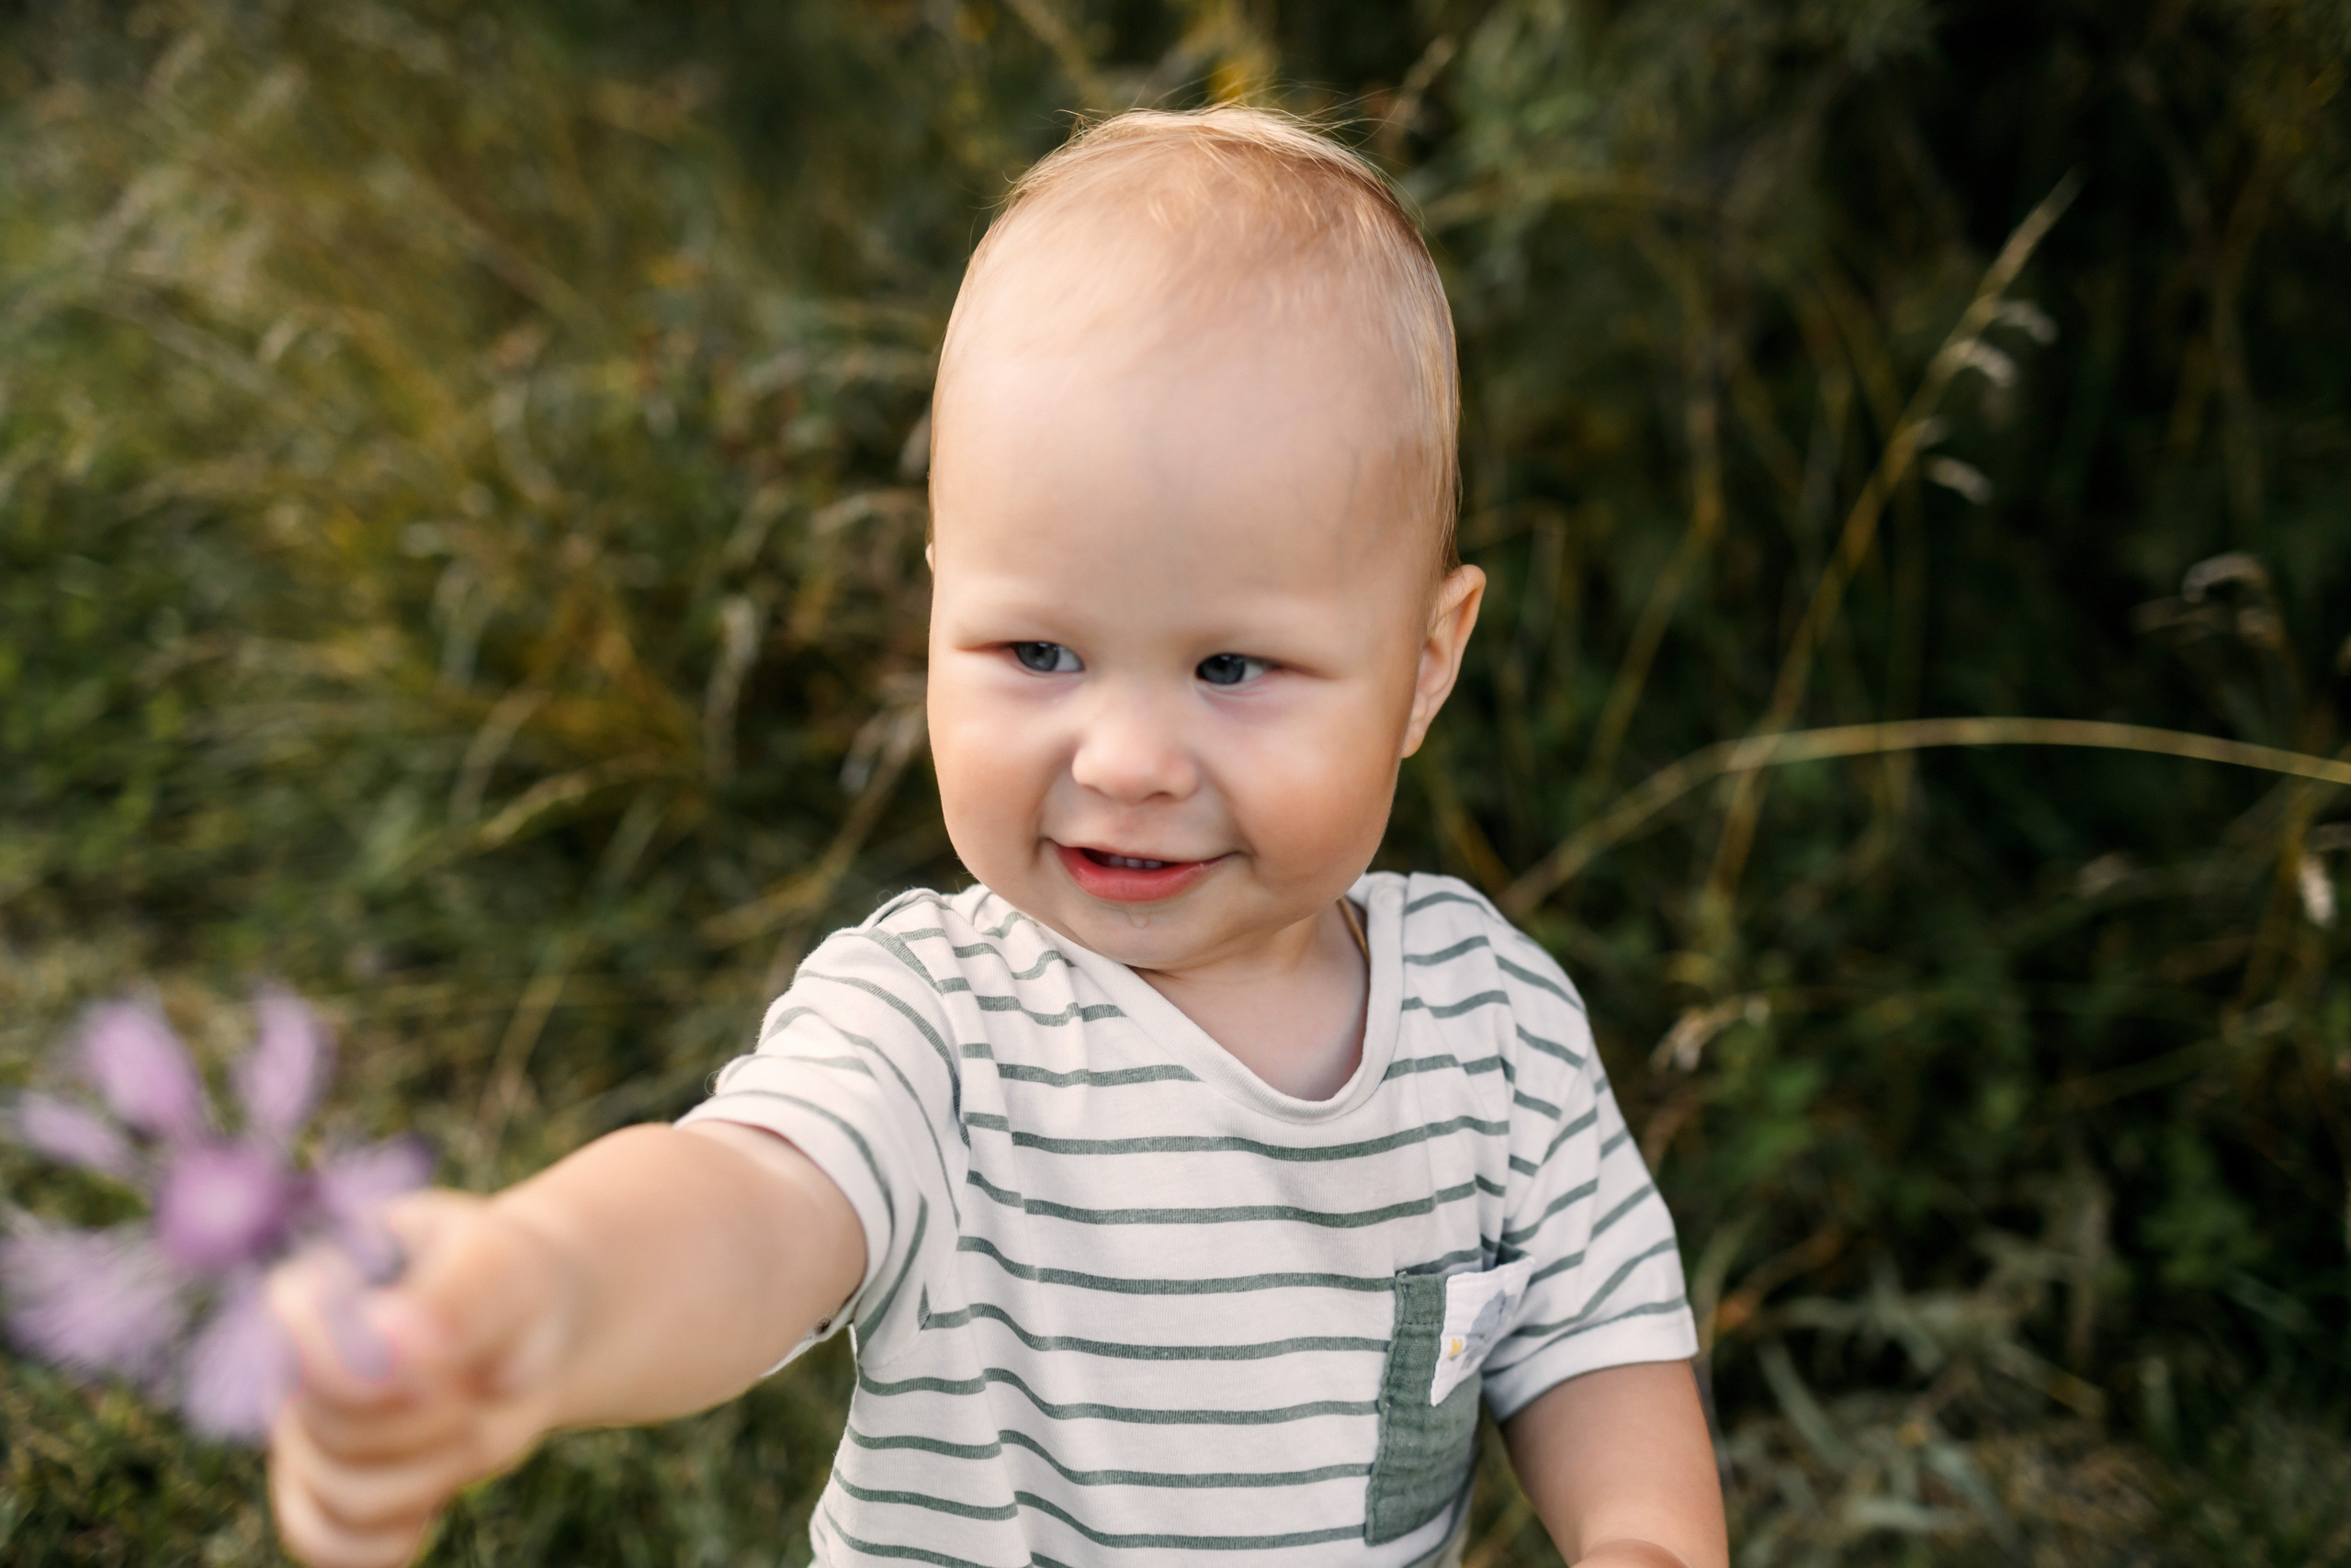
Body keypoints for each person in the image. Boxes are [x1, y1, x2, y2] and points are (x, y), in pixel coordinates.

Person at [267, 106, 1727, 1568]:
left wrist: (1644, 1541)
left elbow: (1596, 1346)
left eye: (1232, 669)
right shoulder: (937, 1024)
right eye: (1036, 649)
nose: (1129, 760)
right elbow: (749, 1216)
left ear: (1424, 661)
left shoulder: (1492, 1032)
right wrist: (544, 1287)